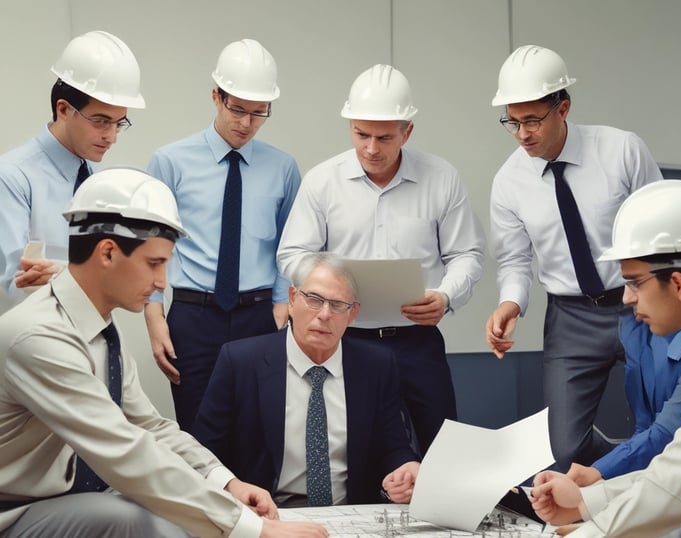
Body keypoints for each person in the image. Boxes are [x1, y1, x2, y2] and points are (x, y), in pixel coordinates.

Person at [0, 168, 327, 538]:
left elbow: (147, 426)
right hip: (16, 510)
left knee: (175, 519)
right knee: (138, 522)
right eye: (155, 263)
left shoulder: (100, 326)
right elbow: (123, 450)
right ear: (107, 252)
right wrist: (254, 530)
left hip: (66, 499)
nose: (161, 282)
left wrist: (225, 483)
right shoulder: (39, 336)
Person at [531, 180, 681, 537]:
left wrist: (589, 531)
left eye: (635, 283)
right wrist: (587, 501)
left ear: (677, 283)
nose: (626, 298)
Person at [277, 64, 486, 456]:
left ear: (408, 131)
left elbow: (467, 254)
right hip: (344, 341)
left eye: (385, 137)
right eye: (361, 134)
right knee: (353, 453)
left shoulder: (442, 178)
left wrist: (445, 296)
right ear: (350, 126)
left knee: (444, 449)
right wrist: (327, 288)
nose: (371, 148)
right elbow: (292, 253)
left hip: (417, 341)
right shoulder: (323, 181)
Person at [484, 45, 663, 469]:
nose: (522, 133)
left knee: (661, 425)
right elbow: (513, 259)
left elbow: (661, 231)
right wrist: (510, 303)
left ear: (563, 108)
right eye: (512, 121)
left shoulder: (622, 150)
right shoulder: (509, 181)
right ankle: (628, 472)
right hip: (570, 317)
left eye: (532, 120)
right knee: (564, 449)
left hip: (637, 303)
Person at [144, 38, 301, 431]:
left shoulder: (283, 168)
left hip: (260, 316)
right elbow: (149, 244)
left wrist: (282, 303)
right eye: (237, 109)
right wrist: (154, 314)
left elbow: (291, 242)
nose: (246, 123)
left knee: (260, 433)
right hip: (193, 317)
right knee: (200, 435)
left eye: (259, 112)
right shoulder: (170, 162)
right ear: (216, 96)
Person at [194, 252, 420, 507]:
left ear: (352, 313)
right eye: (314, 299)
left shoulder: (376, 366)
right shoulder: (240, 362)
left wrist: (404, 468)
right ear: (292, 299)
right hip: (268, 516)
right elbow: (203, 454)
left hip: (349, 516)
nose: (324, 314)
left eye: (337, 305)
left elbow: (393, 446)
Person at [0, 30, 144, 313]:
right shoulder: (11, 177)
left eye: (119, 123)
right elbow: (15, 284)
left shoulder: (94, 178)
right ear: (63, 109)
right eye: (101, 121)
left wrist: (59, 272)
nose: (111, 136)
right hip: (34, 341)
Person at [566, 316, 681, 486]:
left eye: (636, 287)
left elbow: (666, 431)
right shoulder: (633, 327)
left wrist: (598, 472)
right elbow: (642, 425)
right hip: (656, 464)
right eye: (626, 287)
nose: (626, 297)